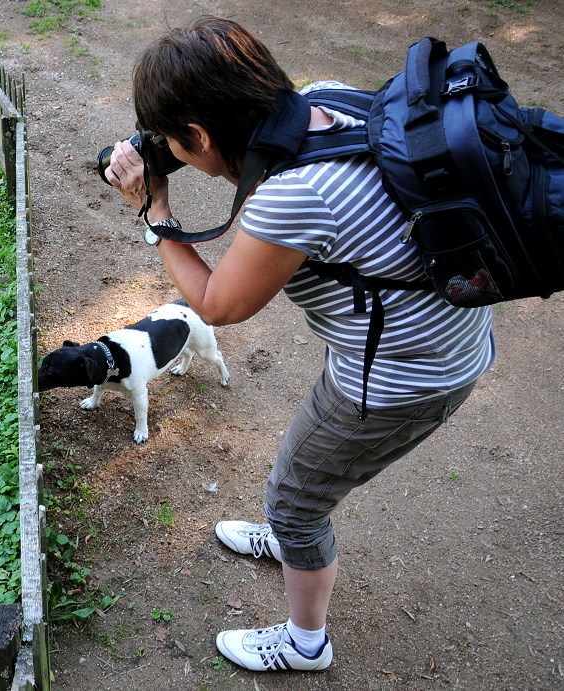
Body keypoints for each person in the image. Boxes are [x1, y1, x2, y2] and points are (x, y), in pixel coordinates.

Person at [103, 16, 494, 673]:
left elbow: (217, 303)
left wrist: (155, 208)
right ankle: (290, 533)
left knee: (295, 496)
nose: (169, 148)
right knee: (301, 464)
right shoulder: (325, 99)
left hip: (399, 378)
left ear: (198, 136)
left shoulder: (293, 197)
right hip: (438, 339)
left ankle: (306, 637)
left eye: (176, 140)